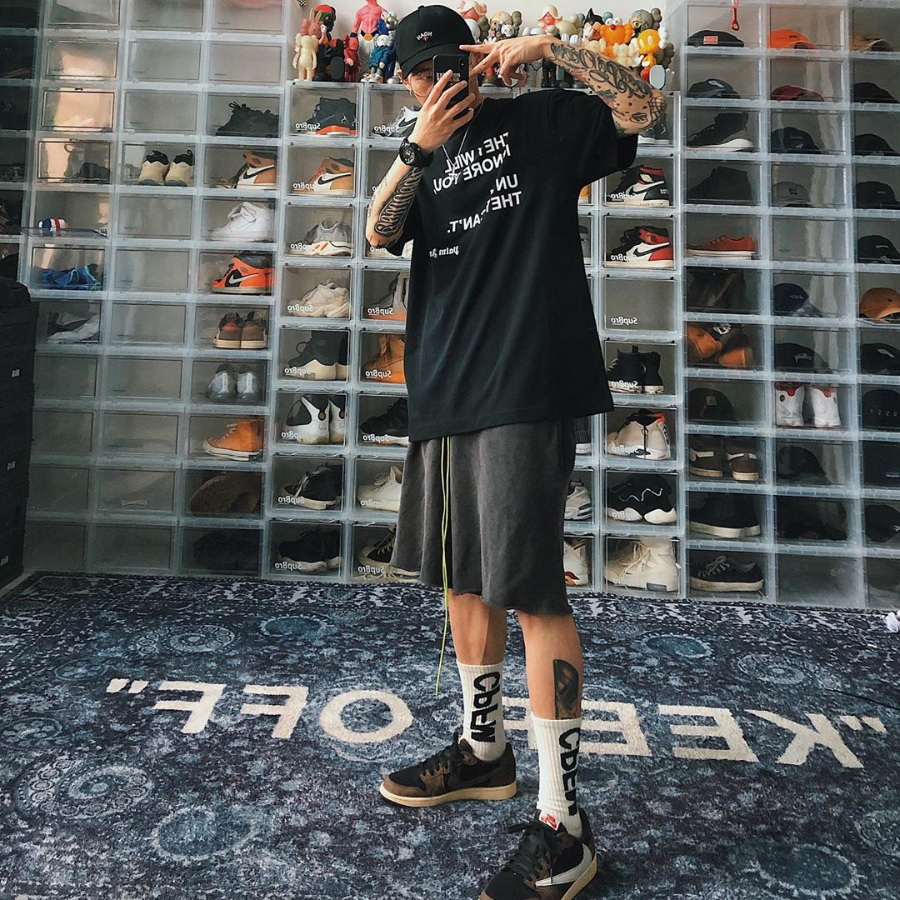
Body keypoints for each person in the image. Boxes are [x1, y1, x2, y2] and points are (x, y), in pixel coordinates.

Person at [365, 5, 665, 898]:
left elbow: (643, 106)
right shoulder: (419, 149)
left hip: (527, 382)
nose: (433, 84)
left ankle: (563, 825)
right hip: (444, 388)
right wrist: (417, 147)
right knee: (462, 579)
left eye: (444, 66)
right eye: (419, 74)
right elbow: (378, 231)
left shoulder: (542, 122)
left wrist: (554, 49)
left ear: (474, 61)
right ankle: (483, 749)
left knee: (532, 590)